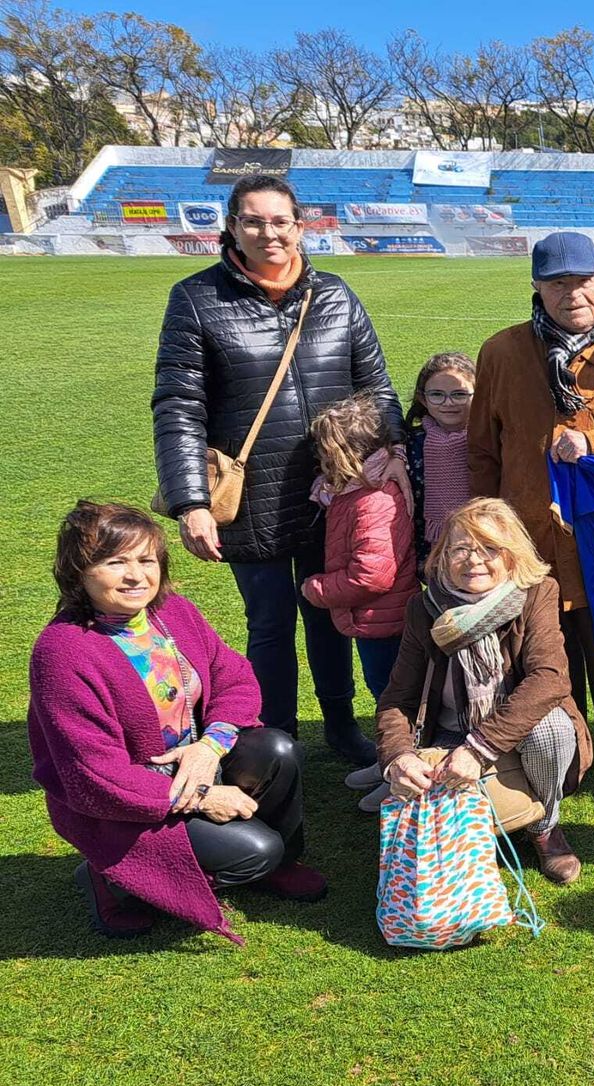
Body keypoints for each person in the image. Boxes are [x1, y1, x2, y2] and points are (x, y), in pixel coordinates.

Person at [153, 173, 401, 766]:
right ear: (232, 227)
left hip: (335, 494)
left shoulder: (336, 295)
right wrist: (191, 501)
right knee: (269, 624)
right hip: (252, 495)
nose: (269, 232)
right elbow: (178, 405)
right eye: (254, 220)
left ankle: (341, 727)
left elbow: (378, 388)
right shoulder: (196, 298)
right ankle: (279, 736)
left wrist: (389, 459)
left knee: (332, 614)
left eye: (280, 221)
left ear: (299, 225)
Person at [28, 501, 326, 942]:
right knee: (256, 851)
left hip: (198, 761)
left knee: (278, 748)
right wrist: (201, 797)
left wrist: (210, 748)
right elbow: (94, 777)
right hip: (128, 799)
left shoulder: (174, 613)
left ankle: (278, 866)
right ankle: (109, 878)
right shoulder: (64, 652)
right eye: (115, 562)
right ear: (79, 571)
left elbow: (236, 678)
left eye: (146, 560)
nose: (135, 576)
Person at [469, 231, 594, 797]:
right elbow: (483, 448)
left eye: (582, 279)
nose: (572, 293)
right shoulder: (503, 353)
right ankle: (564, 752)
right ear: (536, 287)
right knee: (542, 654)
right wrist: (485, 532)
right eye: (557, 282)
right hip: (527, 541)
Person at [376, 499, 594, 885]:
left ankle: (544, 826)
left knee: (553, 728)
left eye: (489, 548)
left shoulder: (536, 593)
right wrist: (398, 757)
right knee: (431, 860)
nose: (474, 560)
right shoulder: (424, 608)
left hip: (512, 729)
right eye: (461, 548)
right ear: (443, 556)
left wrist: (478, 749)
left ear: (511, 557)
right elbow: (398, 699)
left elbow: (549, 678)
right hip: (447, 734)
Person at [301, 392, 421, 809]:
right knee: (384, 692)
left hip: (386, 619)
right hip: (377, 619)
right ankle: (390, 758)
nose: (320, 458)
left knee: (396, 697)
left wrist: (317, 588)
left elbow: (373, 572)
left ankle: (405, 771)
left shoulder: (373, 499)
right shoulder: (356, 490)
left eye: (325, 450)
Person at [402, 351, 477, 564]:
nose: (448, 402)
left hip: (481, 540)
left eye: (460, 394)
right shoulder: (411, 443)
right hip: (426, 540)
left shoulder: (488, 440)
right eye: (437, 394)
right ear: (422, 399)